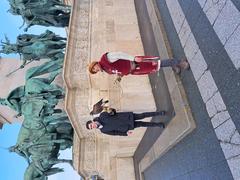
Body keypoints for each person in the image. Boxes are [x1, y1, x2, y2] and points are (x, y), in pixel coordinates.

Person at [88, 52, 189, 82]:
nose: (96, 69)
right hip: (134, 70)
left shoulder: (105, 59)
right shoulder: (106, 70)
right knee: (155, 67)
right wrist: (120, 76)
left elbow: (119, 54)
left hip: (134, 63)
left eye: (94, 67)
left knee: (155, 63)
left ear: (95, 63)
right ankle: (173, 64)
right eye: (94, 71)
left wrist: (133, 58)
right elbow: (118, 70)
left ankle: (179, 62)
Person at [86, 108, 166, 136]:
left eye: (91, 125)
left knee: (143, 115)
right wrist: (125, 133)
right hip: (126, 126)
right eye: (91, 128)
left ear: (92, 122)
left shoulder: (102, 116)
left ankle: (159, 113)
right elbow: (115, 133)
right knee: (143, 124)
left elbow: (113, 112)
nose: (92, 127)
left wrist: (111, 111)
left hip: (126, 117)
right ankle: (158, 125)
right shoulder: (103, 130)